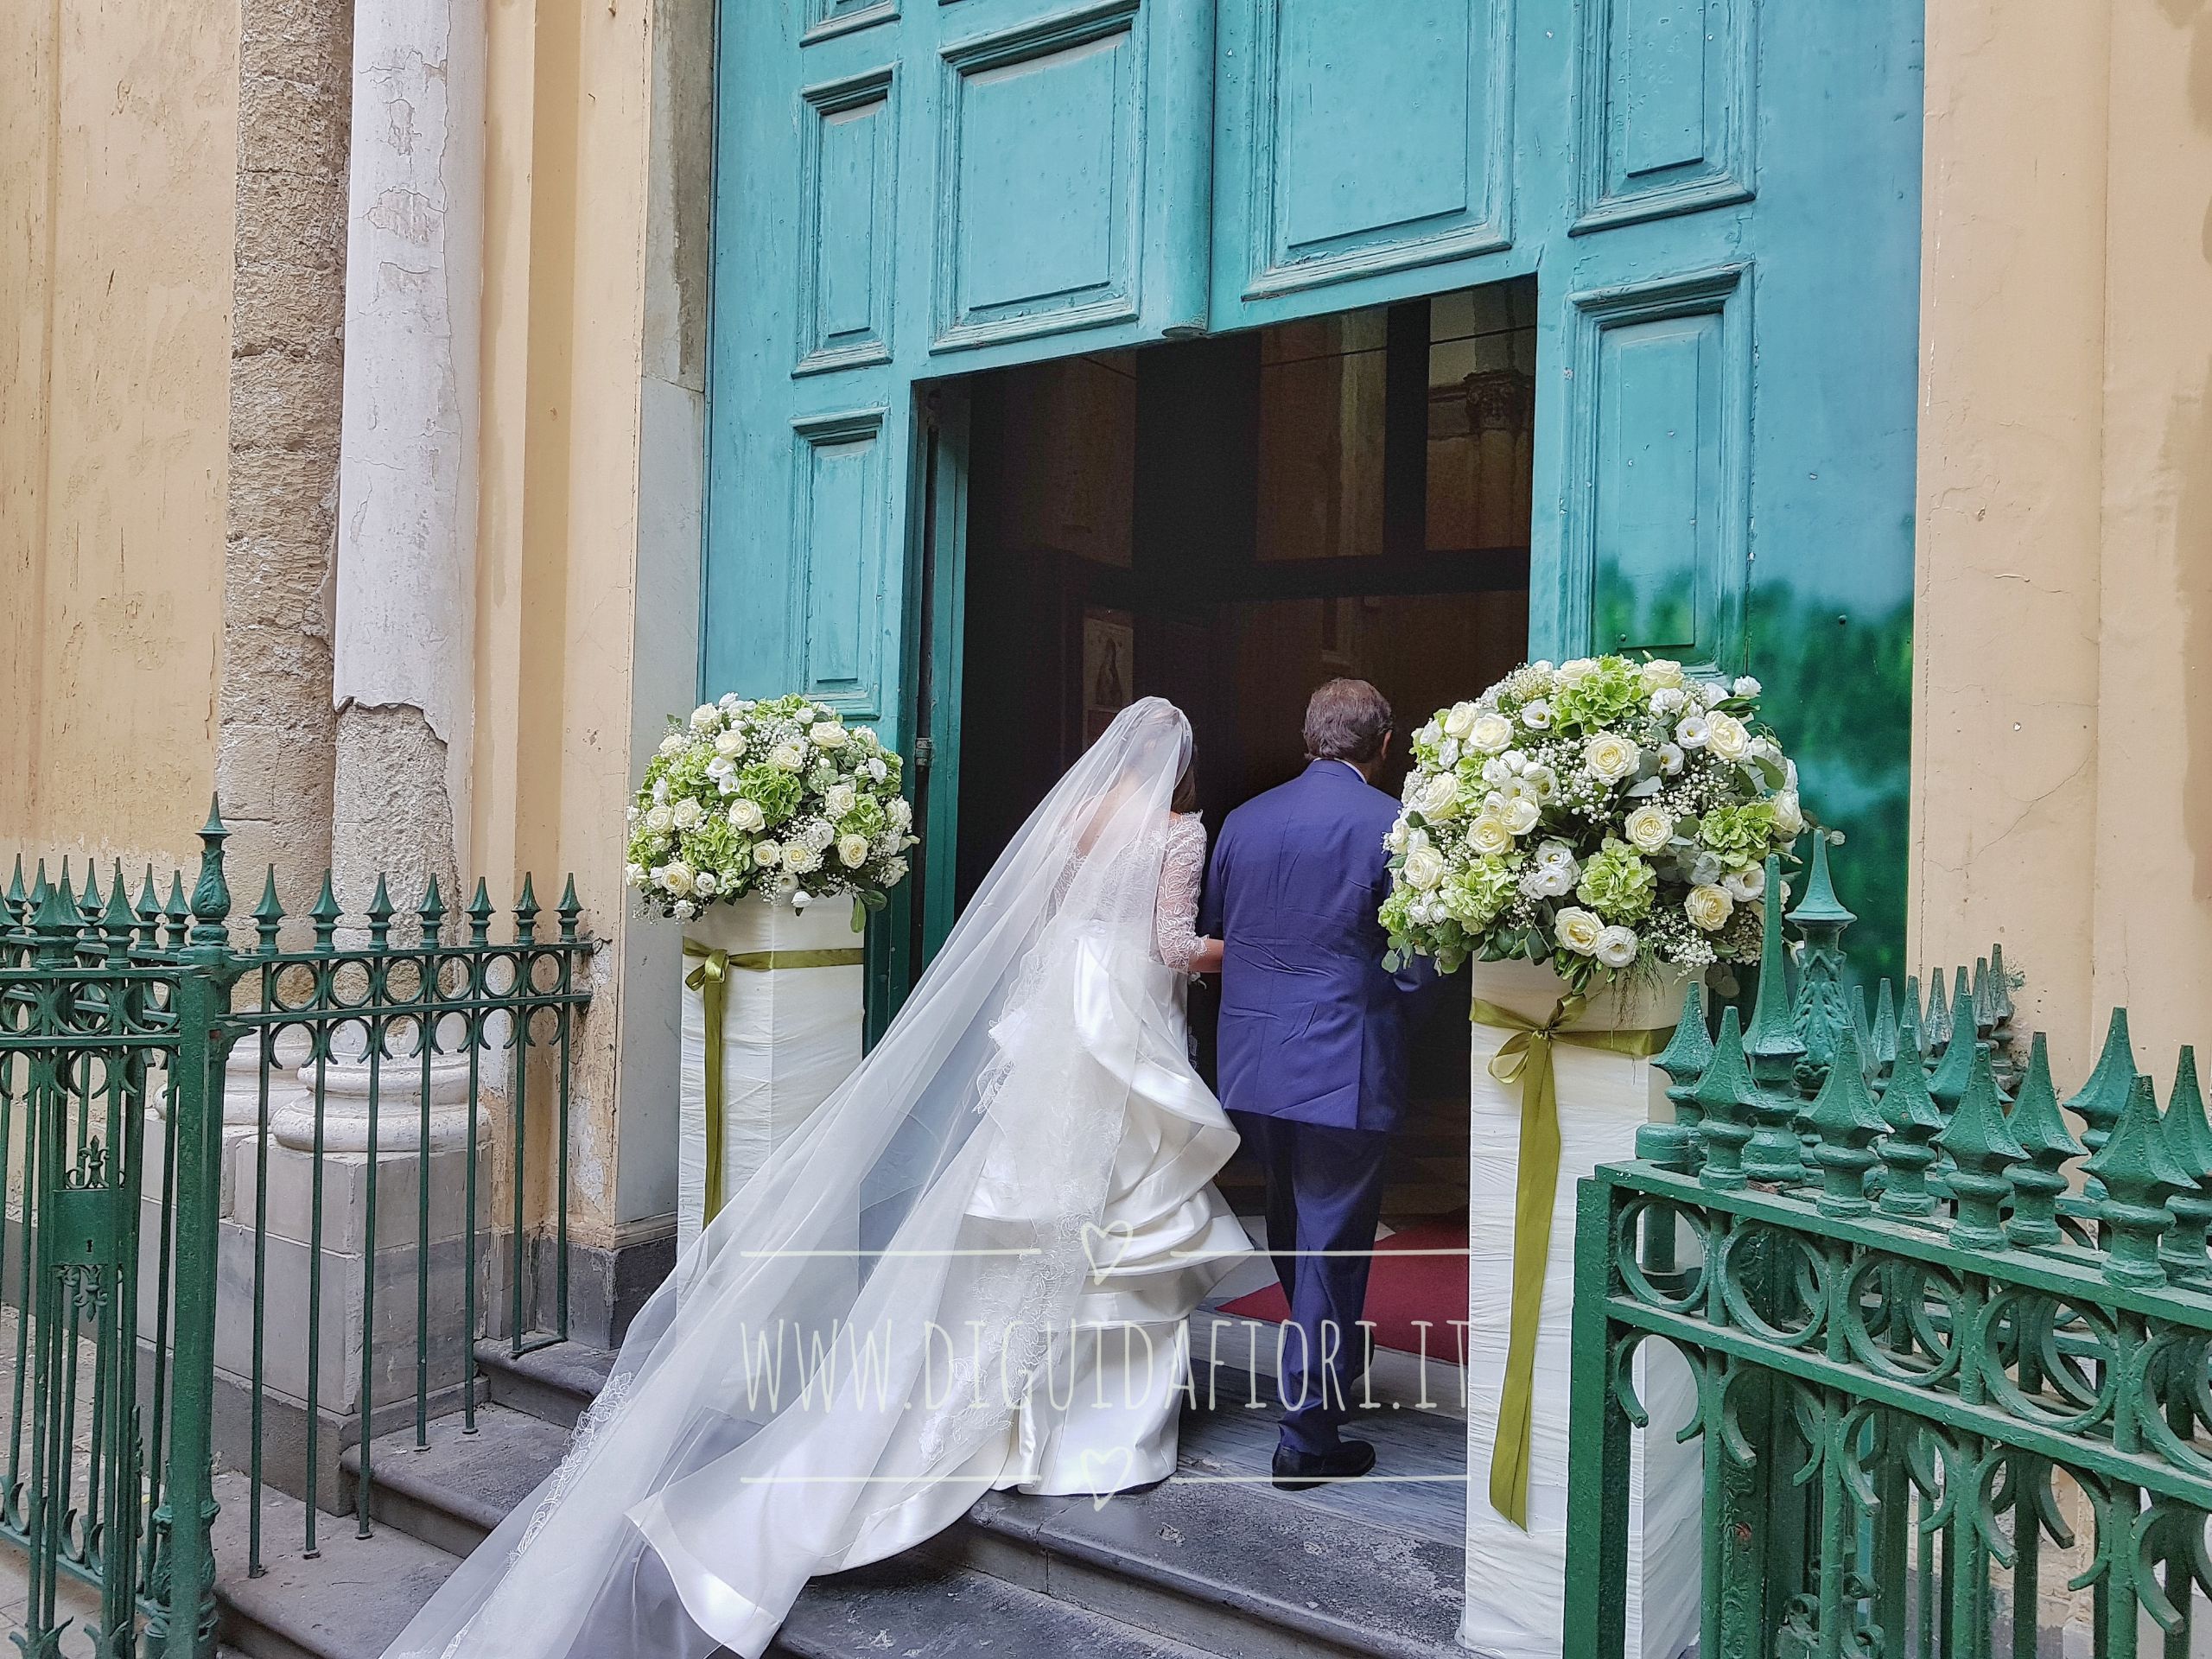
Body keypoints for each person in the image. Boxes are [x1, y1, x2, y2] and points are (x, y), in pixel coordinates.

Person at [385, 699, 1248, 1659]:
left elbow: (1047, 917)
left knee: (1020, 1228)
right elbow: (1172, 947)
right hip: (1123, 1026)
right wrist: (1245, 954)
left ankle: (1008, 1422)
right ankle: (1075, 1437)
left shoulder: (1081, 819)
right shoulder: (1181, 832)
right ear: (1182, 766)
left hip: (1060, 1026)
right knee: (1112, 1232)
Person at [1198, 677, 1433, 1490]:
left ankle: (1321, 1369)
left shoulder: (1245, 819)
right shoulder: (1396, 825)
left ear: (1309, 736)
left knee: (1296, 1224)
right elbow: (1416, 960)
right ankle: (1307, 1433)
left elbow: (1221, 928)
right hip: (1342, 1057)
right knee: (1331, 1240)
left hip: (1254, 1058)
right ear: (1385, 741)